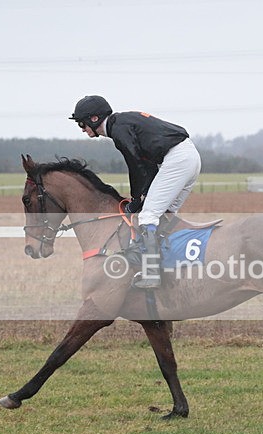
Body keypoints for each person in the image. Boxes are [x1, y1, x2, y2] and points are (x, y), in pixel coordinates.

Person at [69, 95, 201, 289]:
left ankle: (152, 274)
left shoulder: (118, 129)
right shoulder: (121, 123)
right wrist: (139, 196)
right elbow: (145, 166)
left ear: (94, 119)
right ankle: (169, 268)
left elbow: (136, 165)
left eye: (82, 124)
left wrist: (136, 199)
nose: (82, 129)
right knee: (164, 216)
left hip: (177, 159)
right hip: (188, 156)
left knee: (148, 216)